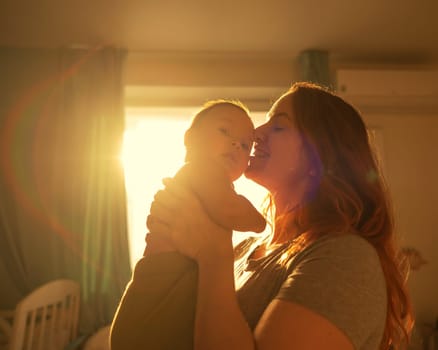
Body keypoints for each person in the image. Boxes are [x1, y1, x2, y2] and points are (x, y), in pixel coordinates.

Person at [144, 82, 414, 350]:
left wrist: (213, 253)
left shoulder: (344, 257)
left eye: (278, 126)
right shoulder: (243, 251)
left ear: (320, 157)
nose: (256, 133)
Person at [110, 100, 266, 350]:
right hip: (165, 276)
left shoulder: (211, 179)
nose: (236, 144)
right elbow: (230, 210)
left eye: (246, 145)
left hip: (175, 277)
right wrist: (261, 221)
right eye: (224, 131)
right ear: (190, 139)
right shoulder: (201, 170)